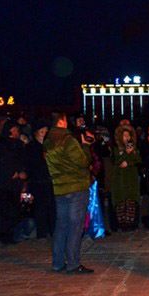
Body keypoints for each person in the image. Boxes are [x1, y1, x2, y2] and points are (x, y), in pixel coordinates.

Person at [45, 111, 94, 273]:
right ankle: (73, 263)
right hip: (76, 187)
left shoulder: (48, 140)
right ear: (62, 121)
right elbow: (83, 162)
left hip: (59, 187)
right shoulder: (67, 139)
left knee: (61, 226)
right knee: (75, 226)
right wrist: (86, 145)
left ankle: (58, 262)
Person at [0, 120, 27, 244]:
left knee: (14, 210)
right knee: (2, 210)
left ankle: (10, 235)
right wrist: (10, 172)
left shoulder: (19, 145)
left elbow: (24, 161)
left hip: (16, 184)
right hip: (3, 183)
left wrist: (22, 171)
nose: (17, 132)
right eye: (14, 129)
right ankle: (0, 235)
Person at [25, 119, 56, 239]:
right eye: (41, 131)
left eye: (45, 131)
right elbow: (30, 164)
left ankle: (53, 230)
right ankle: (42, 233)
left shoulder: (50, 146)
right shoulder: (31, 147)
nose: (44, 133)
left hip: (50, 180)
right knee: (40, 208)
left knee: (52, 207)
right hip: (38, 181)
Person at [112, 124, 141, 230]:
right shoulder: (116, 148)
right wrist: (126, 154)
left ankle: (131, 224)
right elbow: (117, 161)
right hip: (120, 179)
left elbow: (137, 160)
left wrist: (129, 158)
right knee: (121, 202)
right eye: (124, 136)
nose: (127, 138)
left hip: (131, 178)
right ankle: (121, 225)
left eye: (128, 136)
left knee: (131, 201)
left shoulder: (134, 148)